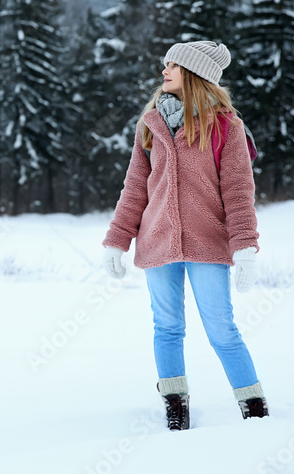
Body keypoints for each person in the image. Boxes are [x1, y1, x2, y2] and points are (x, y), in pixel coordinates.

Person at [101, 39, 268, 431]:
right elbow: (135, 188)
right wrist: (116, 239)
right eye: (166, 65)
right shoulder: (150, 124)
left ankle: (254, 407)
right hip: (158, 242)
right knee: (167, 327)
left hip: (208, 243)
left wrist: (244, 246)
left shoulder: (226, 126)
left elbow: (239, 193)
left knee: (222, 328)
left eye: (173, 65)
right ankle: (175, 408)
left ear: (193, 74)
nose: (164, 72)